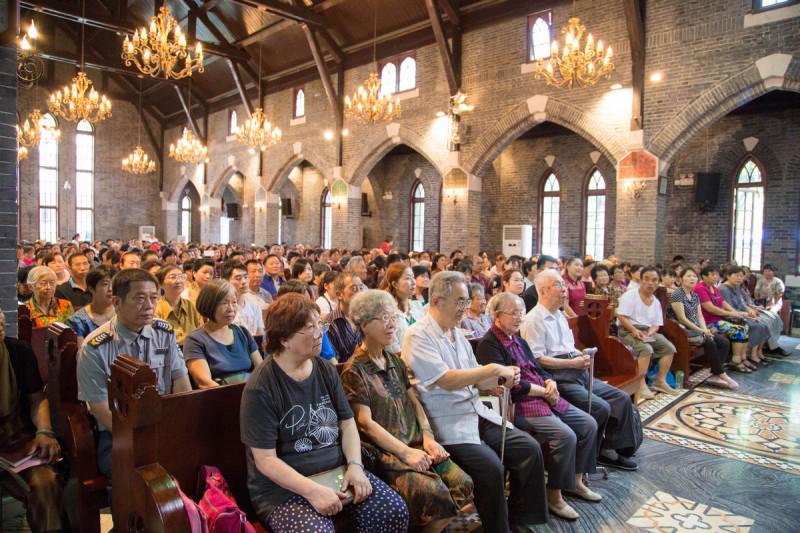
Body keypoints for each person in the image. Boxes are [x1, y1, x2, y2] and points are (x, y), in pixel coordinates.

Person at [240, 293, 409, 531]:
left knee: (392, 510)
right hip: (285, 489)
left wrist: (355, 466)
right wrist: (313, 491)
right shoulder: (262, 387)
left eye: (321, 325)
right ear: (285, 339)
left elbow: (347, 422)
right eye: (311, 328)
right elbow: (266, 460)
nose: (321, 334)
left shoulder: (324, 369)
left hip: (338, 472)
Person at [403, 271, 548, 532]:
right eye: (459, 301)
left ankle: (518, 519)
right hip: (446, 423)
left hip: (475, 411)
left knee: (528, 449)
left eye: (466, 301)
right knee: (491, 468)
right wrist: (492, 370)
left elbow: (474, 375)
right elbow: (446, 379)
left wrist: (496, 383)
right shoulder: (418, 335)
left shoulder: (457, 334)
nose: (465, 308)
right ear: (436, 301)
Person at [342, 290, 473, 531]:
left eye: (393, 316)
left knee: (462, 482)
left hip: (417, 443)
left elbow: (415, 402)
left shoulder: (395, 361)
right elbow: (365, 423)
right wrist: (405, 452)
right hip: (388, 453)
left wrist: (428, 438)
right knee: (431, 493)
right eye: (383, 318)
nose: (392, 324)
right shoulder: (354, 370)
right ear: (364, 323)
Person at [477, 293, 601, 520]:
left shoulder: (518, 339)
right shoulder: (489, 344)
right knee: (565, 436)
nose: (519, 317)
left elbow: (537, 368)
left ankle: (575, 481)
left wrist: (550, 381)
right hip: (520, 404)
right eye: (513, 313)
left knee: (589, 424)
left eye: (521, 312)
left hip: (544, 393)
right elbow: (509, 386)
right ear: (497, 316)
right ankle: (554, 496)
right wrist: (544, 391)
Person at [521, 269, 642, 472]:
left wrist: (580, 356)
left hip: (577, 371)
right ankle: (596, 456)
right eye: (558, 285)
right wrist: (572, 363)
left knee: (620, 398)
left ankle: (612, 448)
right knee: (600, 407)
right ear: (543, 290)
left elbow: (567, 347)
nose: (565, 289)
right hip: (558, 379)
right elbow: (538, 360)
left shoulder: (559, 315)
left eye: (563, 284)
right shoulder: (534, 320)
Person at [77, 268, 191, 480]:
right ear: (117, 302)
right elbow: (100, 409)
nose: (149, 306)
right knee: (140, 478)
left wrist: (178, 427)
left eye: (154, 298)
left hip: (163, 425)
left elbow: (181, 383)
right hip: (117, 436)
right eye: (139, 298)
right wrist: (143, 439)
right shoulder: (95, 347)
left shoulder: (164, 332)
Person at [0, 310, 64, 533]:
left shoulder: (17, 351)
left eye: (0, 322)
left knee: (45, 482)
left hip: (15, 440)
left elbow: (37, 399)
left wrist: (44, 431)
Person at [183, 279, 263, 387]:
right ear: (209, 305)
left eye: (234, 302)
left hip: (251, 393)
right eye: (224, 303)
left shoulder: (242, 332)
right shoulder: (195, 339)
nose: (231, 309)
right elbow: (204, 382)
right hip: (219, 397)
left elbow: (261, 371)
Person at [668, 268, 738, 389]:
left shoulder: (694, 295)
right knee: (709, 341)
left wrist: (705, 329)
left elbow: (699, 316)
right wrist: (702, 331)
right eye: (688, 276)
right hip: (683, 330)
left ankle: (715, 374)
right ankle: (721, 374)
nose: (692, 279)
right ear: (680, 279)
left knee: (723, 342)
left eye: (694, 276)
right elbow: (682, 319)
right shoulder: (677, 294)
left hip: (697, 329)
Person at [615, 267, 678, 398]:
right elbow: (621, 316)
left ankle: (659, 380)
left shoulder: (655, 301)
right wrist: (634, 330)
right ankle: (641, 384)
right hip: (627, 330)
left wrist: (649, 333)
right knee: (646, 349)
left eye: (654, 280)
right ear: (641, 280)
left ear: (658, 282)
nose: (650, 283)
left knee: (669, 348)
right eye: (647, 279)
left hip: (646, 331)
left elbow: (656, 324)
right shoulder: (630, 295)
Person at [693, 266, 754, 371]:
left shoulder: (714, 288)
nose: (716, 277)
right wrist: (732, 314)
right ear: (704, 276)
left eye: (717, 275)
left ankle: (742, 358)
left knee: (744, 326)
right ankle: (735, 361)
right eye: (713, 275)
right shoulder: (700, 288)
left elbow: (723, 302)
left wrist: (735, 312)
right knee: (739, 330)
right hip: (708, 322)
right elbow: (710, 308)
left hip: (718, 320)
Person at [719, 266, 782, 363]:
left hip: (742, 313)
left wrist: (750, 310)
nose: (740, 278)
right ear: (728, 276)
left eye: (741, 276)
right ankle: (746, 354)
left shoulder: (737, 287)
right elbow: (729, 308)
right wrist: (746, 314)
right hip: (732, 316)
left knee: (763, 324)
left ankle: (754, 352)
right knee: (757, 326)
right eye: (737, 276)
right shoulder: (723, 289)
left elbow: (742, 303)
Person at [65, 266, 117, 346]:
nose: (110, 289)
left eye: (114, 284)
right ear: (91, 288)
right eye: (105, 284)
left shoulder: (124, 313)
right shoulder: (77, 321)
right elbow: (81, 355)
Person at [154, 265, 203, 347]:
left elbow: (201, 331)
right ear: (161, 284)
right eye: (173, 277)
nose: (178, 281)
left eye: (181, 277)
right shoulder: (156, 308)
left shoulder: (191, 306)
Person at [380, 263, 425, 353]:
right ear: (395, 284)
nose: (413, 282)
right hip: (401, 362)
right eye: (408, 278)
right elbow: (392, 349)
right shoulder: (387, 311)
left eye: (413, 277)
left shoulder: (417, 306)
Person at [325, 273, 366, 363]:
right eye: (354, 288)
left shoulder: (367, 318)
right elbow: (334, 365)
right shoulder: (329, 323)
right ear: (339, 295)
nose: (360, 293)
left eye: (361, 288)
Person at [223, 261, 265, 344]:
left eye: (246, 277)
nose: (244, 281)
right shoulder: (221, 309)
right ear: (226, 281)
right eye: (238, 278)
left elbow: (259, 335)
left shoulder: (255, 307)